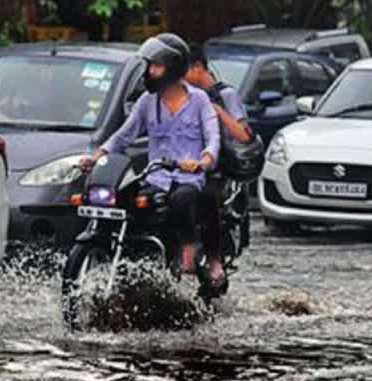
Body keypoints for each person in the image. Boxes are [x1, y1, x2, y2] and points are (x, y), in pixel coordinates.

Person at [80, 33, 220, 273]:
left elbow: (213, 137)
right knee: (127, 202)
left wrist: (202, 161)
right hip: (155, 177)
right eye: (149, 65)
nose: (150, 72)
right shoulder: (147, 101)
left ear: (172, 66)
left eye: (156, 65)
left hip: (188, 178)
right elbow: (124, 135)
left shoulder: (199, 100)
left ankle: (189, 249)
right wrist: (96, 157)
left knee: (181, 200)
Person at [185, 44, 253, 285]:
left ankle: (213, 260)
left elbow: (244, 135)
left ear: (198, 68)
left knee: (205, 196)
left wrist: (216, 111)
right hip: (192, 165)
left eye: (184, 71)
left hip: (219, 170)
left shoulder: (227, 95)